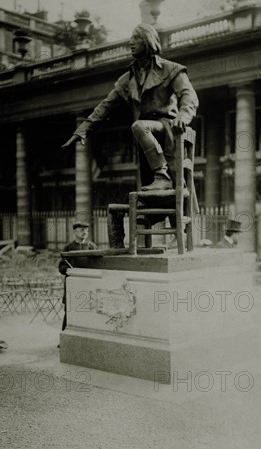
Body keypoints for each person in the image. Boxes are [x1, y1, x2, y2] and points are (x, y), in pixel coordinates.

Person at [62, 23, 199, 192]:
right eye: (131, 38)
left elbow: (189, 96)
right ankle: (152, 214)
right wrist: (83, 129)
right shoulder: (128, 78)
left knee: (138, 126)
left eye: (136, 38)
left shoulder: (171, 69)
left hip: (168, 129)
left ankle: (162, 175)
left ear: (148, 40)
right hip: (147, 137)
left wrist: (183, 116)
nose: (131, 42)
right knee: (148, 199)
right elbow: (106, 105)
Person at [58, 221, 97, 331]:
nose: (84, 232)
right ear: (74, 232)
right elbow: (61, 267)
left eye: (86, 230)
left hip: (88, 284)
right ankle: (65, 338)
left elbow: (98, 265)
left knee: (89, 310)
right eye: (81, 230)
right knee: (70, 310)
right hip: (73, 284)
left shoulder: (92, 246)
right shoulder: (68, 247)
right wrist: (69, 271)